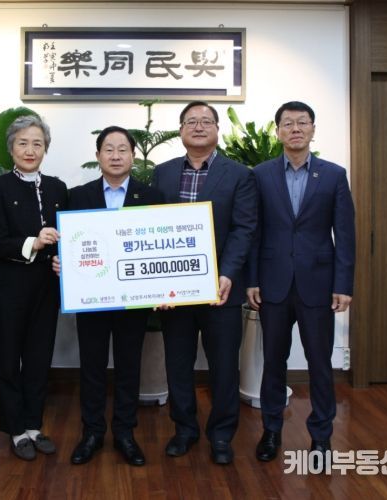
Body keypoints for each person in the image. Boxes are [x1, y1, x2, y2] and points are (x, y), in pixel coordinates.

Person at [246, 101, 355, 467]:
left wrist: (343, 284)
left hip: (318, 285)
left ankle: (321, 437)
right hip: (273, 283)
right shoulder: (261, 174)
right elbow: (255, 231)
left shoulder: (334, 175)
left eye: (302, 123)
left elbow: (345, 234)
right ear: (278, 131)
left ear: (312, 129)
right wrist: (252, 279)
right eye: (288, 123)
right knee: (273, 361)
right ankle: (271, 430)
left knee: (320, 363)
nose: (295, 129)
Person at [152, 101, 257, 465]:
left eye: (206, 121)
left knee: (224, 366)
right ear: (181, 129)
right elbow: (151, 228)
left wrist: (227, 274)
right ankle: (184, 430)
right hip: (174, 291)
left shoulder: (239, 174)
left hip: (221, 289)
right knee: (178, 363)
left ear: (216, 129)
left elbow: (244, 228)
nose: (198, 126)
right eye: (191, 121)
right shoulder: (162, 173)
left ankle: (222, 435)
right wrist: (156, 281)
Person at [57, 126, 163, 467]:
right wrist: (62, 261)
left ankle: (125, 433)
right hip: (92, 298)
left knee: (129, 366)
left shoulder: (152, 196)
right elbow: (69, 242)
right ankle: (91, 433)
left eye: (122, 149)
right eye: (108, 149)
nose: (115, 156)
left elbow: (159, 247)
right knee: (92, 366)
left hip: (133, 300)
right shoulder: (78, 196)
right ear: (98, 155)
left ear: (132, 155)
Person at [0, 115, 68, 461]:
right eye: (23, 143)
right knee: (9, 359)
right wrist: (33, 242)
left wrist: (66, 260)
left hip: (47, 287)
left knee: (39, 357)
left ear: (45, 148)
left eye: (37, 143)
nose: (30, 150)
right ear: (11, 149)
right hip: (10, 287)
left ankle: (34, 425)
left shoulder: (58, 188)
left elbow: (71, 237)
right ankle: (15, 429)